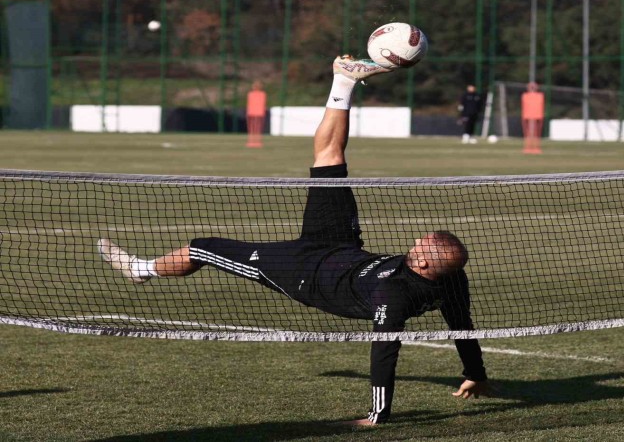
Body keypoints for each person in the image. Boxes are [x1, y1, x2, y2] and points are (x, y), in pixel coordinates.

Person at [97, 55, 489, 426]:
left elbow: (385, 354)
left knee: (204, 247)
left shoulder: (395, 295)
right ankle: (344, 79)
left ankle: (140, 269)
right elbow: (463, 327)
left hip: (304, 273)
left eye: (422, 246)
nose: (417, 241)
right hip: (341, 247)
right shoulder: (452, 279)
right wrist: (476, 373)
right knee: (330, 159)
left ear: (422, 265)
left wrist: (377, 415)